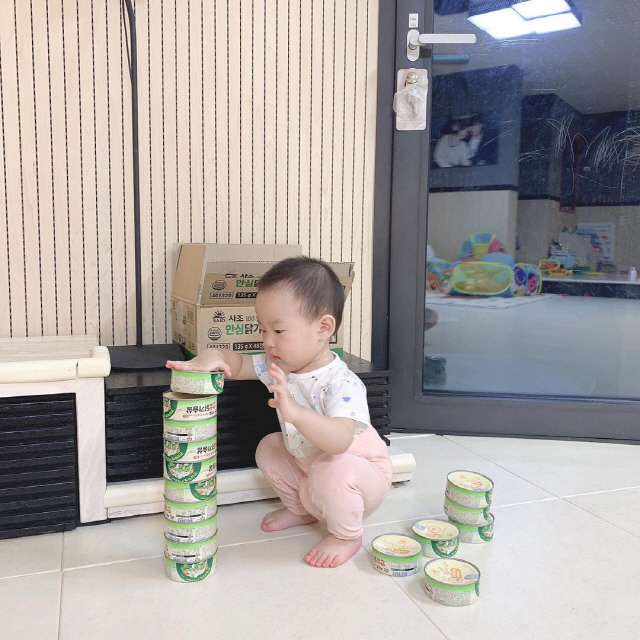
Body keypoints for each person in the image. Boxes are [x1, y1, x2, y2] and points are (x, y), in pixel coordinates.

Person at [166, 256, 392, 569]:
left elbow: (340, 442)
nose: (268, 342)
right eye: (263, 330)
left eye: (279, 330)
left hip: (359, 479)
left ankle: (346, 536)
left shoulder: (342, 382)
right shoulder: (280, 366)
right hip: (313, 472)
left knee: (331, 469)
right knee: (270, 446)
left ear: (323, 327)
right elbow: (240, 365)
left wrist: (296, 413)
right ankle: (302, 509)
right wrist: (213, 355)